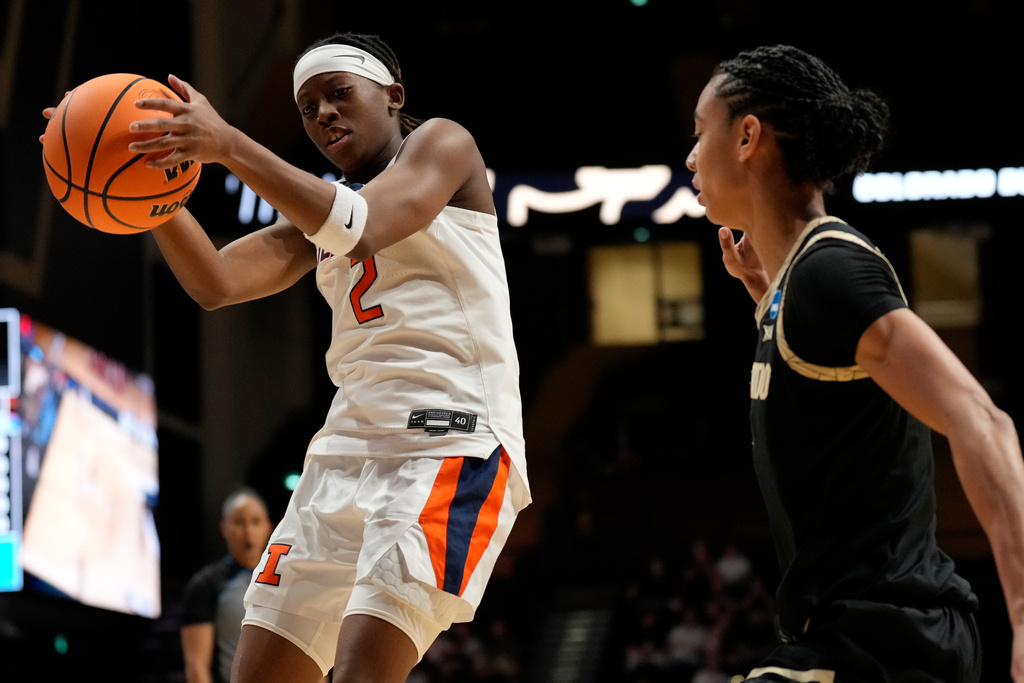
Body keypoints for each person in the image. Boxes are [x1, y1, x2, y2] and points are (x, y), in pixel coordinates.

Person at [41, 31, 531, 683]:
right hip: (343, 454)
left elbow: (357, 224)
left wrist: (226, 144)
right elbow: (215, 281)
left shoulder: (442, 145)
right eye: (307, 106)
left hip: (448, 445)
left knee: (363, 670)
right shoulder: (319, 214)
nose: (323, 113)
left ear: (393, 94)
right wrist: (138, 186)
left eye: (338, 93)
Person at [686, 44, 1024, 682]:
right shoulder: (797, 286)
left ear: (748, 136)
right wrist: (769, 300)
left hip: (889, 643)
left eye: (701, 133)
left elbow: (981, 418)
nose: (691, 156)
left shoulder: (831, 271)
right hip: (859, 640)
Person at [180, 488, 274, 683]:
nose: (248, 531)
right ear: (224, 528)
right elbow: (197, 666)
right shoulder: (205, 585)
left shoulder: (286, 581)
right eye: (239, 522)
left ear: (268, 527)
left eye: (256, 522)